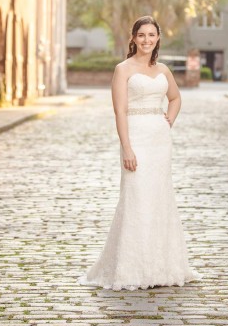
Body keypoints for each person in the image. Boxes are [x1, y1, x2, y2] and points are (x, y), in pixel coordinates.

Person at [78, 15, 202, 291]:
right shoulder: (122, 69)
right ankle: (132, 267)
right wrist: (127, 147)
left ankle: (162, 266)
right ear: (133, 38)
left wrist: (168, 120)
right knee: (135, 199)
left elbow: (175, 98)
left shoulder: (164, 70)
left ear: (158, 38)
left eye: (152, 35)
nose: (147, 40)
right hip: (136, 137)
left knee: (159, 198)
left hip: (159, 140)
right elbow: (119, 111)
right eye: (141, 35)